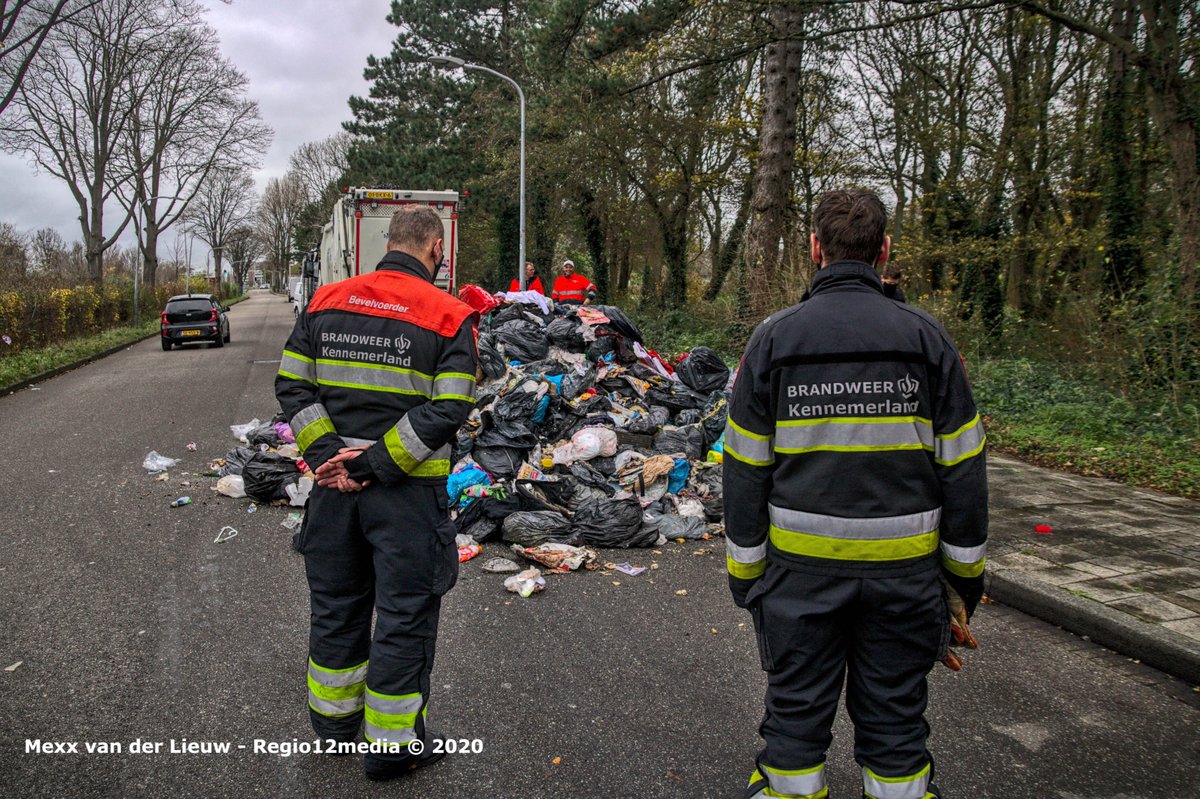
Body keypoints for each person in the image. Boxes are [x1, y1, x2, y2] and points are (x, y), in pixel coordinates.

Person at [723, 189, 987, 799]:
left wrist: (747, 575)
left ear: (815, 249)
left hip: (800, 575)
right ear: (884, 251)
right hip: (906, 575)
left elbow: (743, 470)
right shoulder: (928, 340)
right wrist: (961, 580)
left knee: (795, 714)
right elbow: (965, 470)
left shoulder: (773, 341)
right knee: (896, 719)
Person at [275, 205, 479, 782]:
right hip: (406, 497)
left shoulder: (325, 301)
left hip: (333, 493)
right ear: (436, 251)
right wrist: (376, 464)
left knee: (337, 609)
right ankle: (390, 749)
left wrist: (327, 459)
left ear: (386, 244)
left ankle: (335, 731)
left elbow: (292, 383)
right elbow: (450, 406)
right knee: (403, 616)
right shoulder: (449, 316)